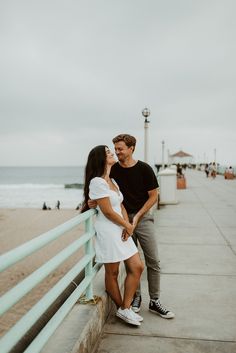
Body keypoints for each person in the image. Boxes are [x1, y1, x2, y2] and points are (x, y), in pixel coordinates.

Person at [89, 134, 175, 319]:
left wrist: (136, 218)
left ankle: (155, 300)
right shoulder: (113, 171)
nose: (117, 152)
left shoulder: (144, 169)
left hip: (142, 219)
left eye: (120, 148)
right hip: (120, 223)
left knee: (153, 261)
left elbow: (154, 196)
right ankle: (135, 299)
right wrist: (92, 202)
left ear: (131, 148)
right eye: (115, 149)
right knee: (132, 264)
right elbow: (103, 192)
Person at [81, 145, 144, 326]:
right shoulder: (97, 182)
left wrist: (127, 226)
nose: (113, 153)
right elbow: (107, 212)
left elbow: (121, 206)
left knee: (137, 267)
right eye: (108, 152)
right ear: (101, 159)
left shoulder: (112, 181)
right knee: (113, 272)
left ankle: (125, 308)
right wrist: (127, 225)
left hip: (121, 228)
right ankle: (122, 308)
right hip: (108, 231)